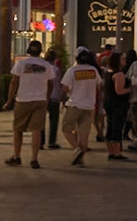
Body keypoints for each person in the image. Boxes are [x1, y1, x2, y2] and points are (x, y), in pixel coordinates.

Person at [6, 41, 55, 169]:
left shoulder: (21, 64)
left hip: (23, 99)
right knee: (36, 130)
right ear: (40, 51)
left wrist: (9, 100)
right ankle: (34, 159)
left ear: (28, 50)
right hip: (40, 100)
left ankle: (17, 156)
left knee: (18, 129)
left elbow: (14, 82)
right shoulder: (46, 65)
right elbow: (51, 84)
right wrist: (47, 97)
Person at [60, 48, 101, 166]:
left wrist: (64, 99)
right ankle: (80, 159)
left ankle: (77, 149)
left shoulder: (72, 71)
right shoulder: (93, 70)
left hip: (74, 104)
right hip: (89, 106)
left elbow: (65, 88)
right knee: (84, 134)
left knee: (66, 129)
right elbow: (99, 86)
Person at [102, 50, 133, 161]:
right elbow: (119, 91)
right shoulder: (119, 74)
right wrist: (131, 89)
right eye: (123, 59)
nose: (125, 61)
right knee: (117, 127)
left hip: (109, 102)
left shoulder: (108, 73)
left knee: (110, 127)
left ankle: (111, 151)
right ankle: (117, 152)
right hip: (118, 104)